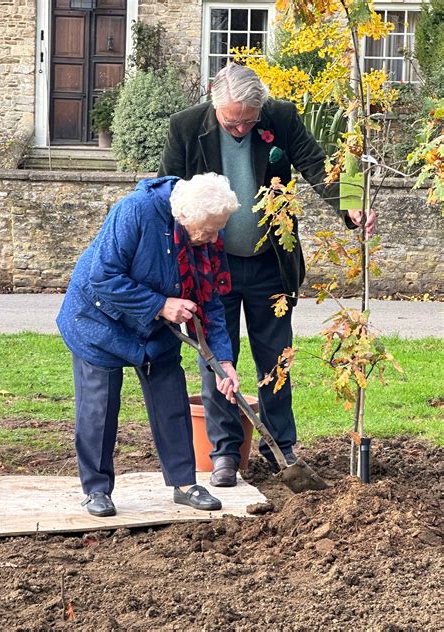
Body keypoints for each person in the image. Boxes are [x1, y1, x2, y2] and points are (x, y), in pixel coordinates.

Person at [158, 62, 376, 487]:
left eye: (248, 122)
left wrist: (352, 204)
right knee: (217, 360)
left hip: (268, 264)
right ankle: (224, 452)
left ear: (261, 110)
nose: (240, 130)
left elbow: (318, 165)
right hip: (211, 264)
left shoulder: (281, 117)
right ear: (213, 101)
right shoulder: (185, 128)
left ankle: (281, 445)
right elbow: (169, 193)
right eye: (231, 122)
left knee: (276, 357)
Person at [56, 173, 240, 517]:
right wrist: (162, 305)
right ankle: (96, 490)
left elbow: (211, 298)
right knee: (99, 407)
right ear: (183, 216)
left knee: (170, 399)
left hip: (156, 330)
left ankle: (185, 483)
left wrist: (223, 361)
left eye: (219, 229)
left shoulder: (208, 229)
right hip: (98, 320)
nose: (215, 238)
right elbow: (103, 276)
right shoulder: (135, 211)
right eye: (210, 230)